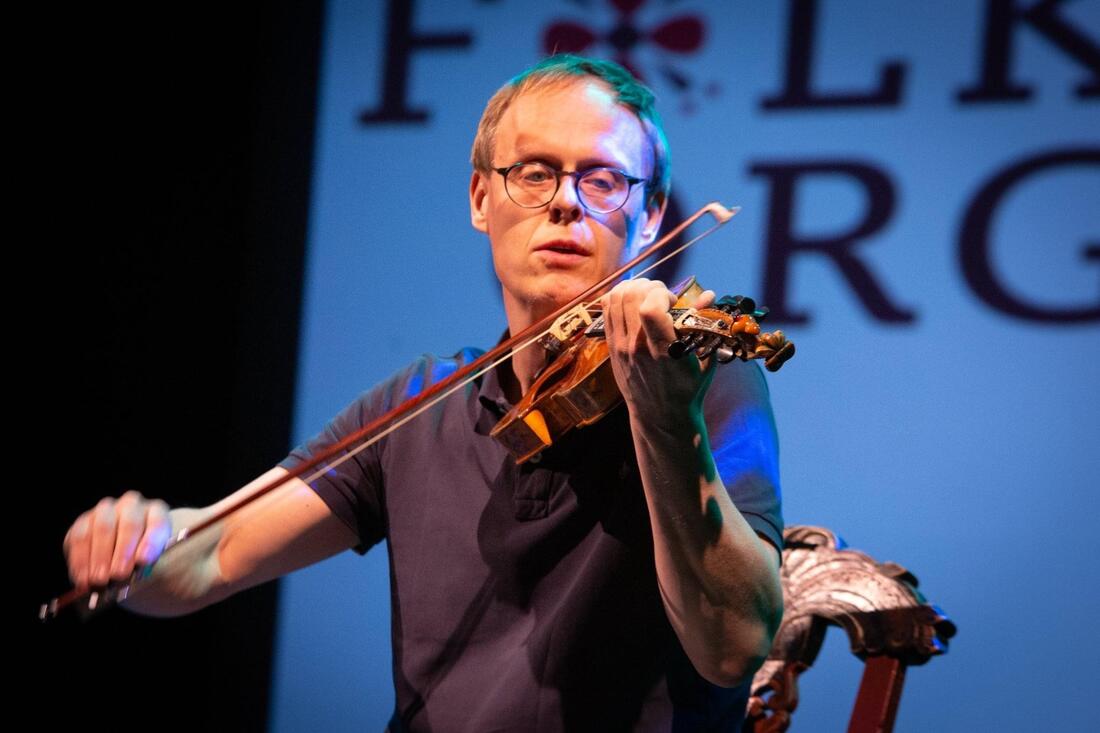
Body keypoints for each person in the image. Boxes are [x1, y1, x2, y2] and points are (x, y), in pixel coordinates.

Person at [61, 55, 784, 731]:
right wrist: (139, 544)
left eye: (603, 180)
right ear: (480, 198)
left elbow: (732, 647)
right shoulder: (424, 401)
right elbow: (204, 561)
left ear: (651, 215)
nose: (566, 202)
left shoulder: (702, 380)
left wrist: (663, 419)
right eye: (534, 173)